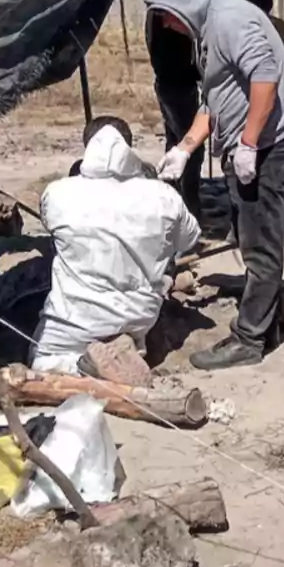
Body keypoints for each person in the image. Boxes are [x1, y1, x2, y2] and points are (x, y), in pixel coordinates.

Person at [145, 0, 284, 371]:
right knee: (251, 239)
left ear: (180, 0)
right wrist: (185, 147)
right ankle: (267, 319)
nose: (164, 24)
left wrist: (248, 144)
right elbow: (216, 98)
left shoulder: (229, 19)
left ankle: (249, 339)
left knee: (260, 245)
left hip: (265, 150)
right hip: (248, 150)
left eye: (163, 14)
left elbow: (265, 75)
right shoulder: (208, 29)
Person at [32, 116, 201, 375]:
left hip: (74, 323)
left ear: (87, 148)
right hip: (139, 318)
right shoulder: (164, 196)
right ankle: (128, 352)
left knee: (42, 361)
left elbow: (49, 228)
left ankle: (80, 367)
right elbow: (189, 239)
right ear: (130, 147)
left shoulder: (57, 193)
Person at [147, 0, 207, 218]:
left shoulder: (157, 12)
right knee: (190, 147)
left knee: (175, 142)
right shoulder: (168, 14)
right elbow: (176, 57)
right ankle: (190, 209)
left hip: (170, 83)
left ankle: (171, 203)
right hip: (177, 85)